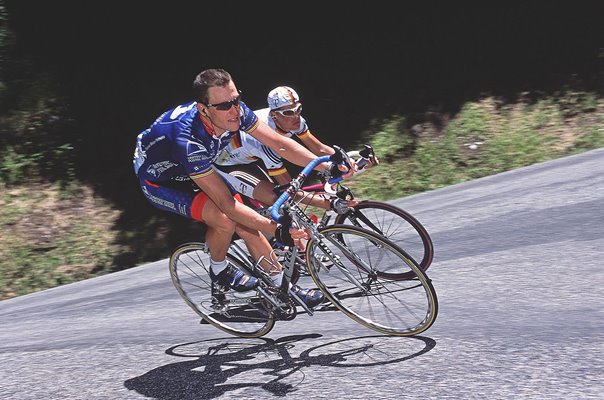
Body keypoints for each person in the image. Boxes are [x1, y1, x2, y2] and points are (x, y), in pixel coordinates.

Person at [133, 69, 354, 309]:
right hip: (163, 181)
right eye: (225, 105)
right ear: (203, 109)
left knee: (249, 224)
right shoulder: (187, 141)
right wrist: (278, 230)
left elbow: (280, 144)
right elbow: (227, 204)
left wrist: (327, 165)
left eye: (236, 99)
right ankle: (219, 270)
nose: (234, 109)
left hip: (201, 166)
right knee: (225, 218)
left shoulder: (234, 111)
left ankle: (285, 288)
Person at [214, 86, 379, 215]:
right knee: (278, 197)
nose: (295, 116)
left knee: (288, 203)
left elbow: (320, 149)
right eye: (288, 112)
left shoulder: (296, 121)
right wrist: (327, 204)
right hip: (227, 165)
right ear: (274, 115)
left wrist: (351, 163)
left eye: (298, 109)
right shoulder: (264, 139)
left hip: (250, 157)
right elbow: (288, 188)